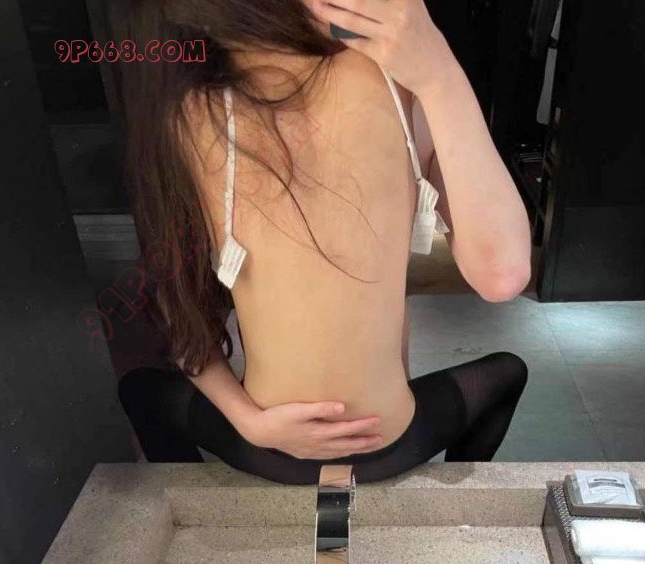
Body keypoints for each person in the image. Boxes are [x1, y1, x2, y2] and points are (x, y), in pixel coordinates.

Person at [115, 0, 531, 484]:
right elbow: (503, 274)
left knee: (138, 389)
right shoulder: (397, 86)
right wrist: (442, 75)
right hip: (390, 443)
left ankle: (193, 496)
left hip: (268, 447)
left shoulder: (189, 109)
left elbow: (179, 313)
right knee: (507, 373)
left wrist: (250, 424)